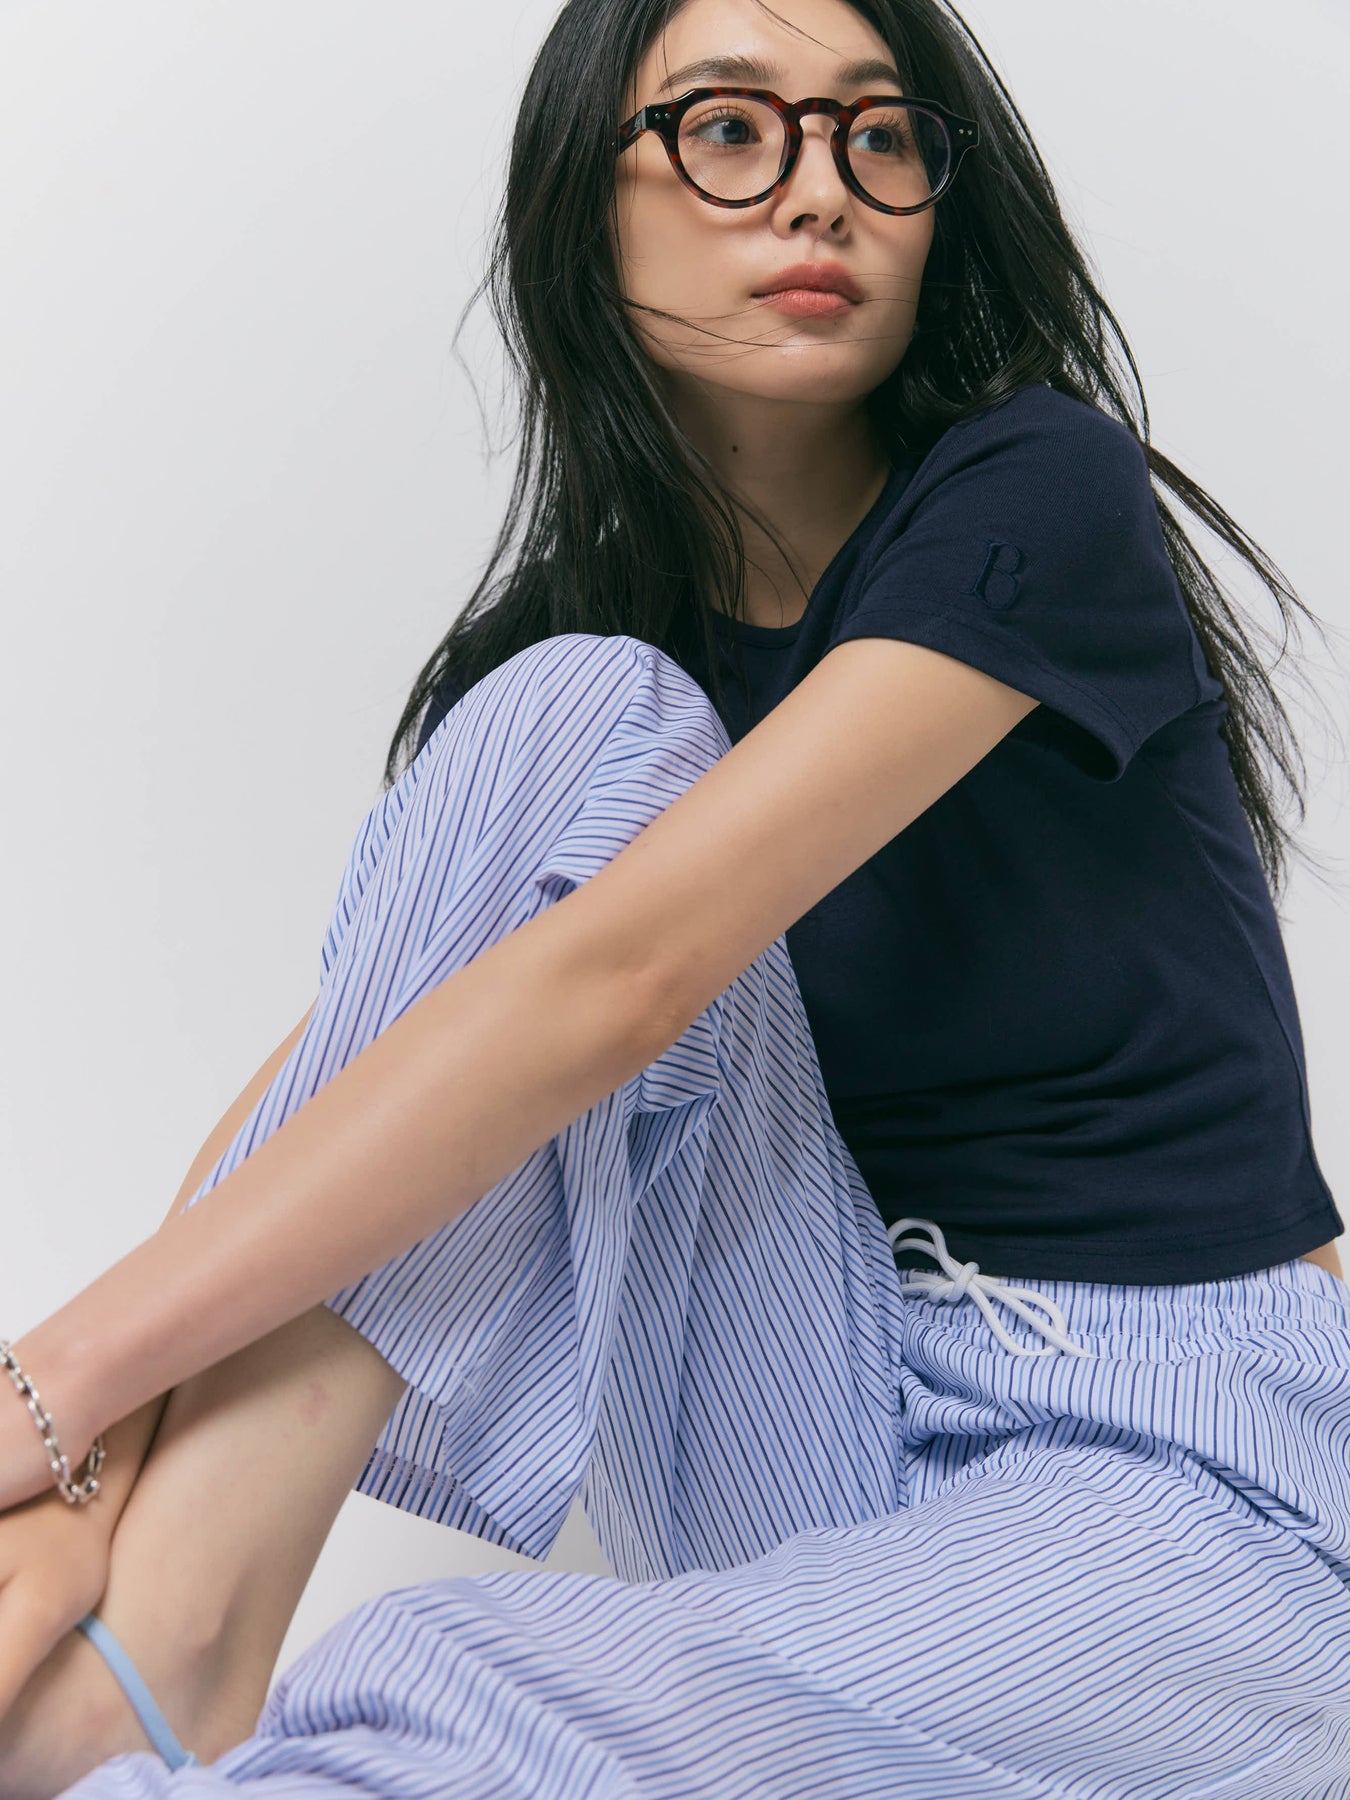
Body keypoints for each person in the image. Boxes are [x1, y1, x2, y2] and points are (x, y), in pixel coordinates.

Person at [2, 0, 1348, 1792]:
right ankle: (169, 1648)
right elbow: (356, 1080)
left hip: (1173, 1456)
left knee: (472, 1691)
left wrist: (47, 1387)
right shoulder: (573, 642)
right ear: (588, 200)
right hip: (808, 1398)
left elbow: (620, 980)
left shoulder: (1037, 491)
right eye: (727, 129)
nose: (820, 192)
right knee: (574, 710)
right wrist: (83, 1489)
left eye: (877, 134)